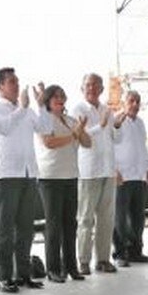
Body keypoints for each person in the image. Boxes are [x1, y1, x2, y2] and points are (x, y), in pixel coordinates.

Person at [0, 68, 48, 293]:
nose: (16, 85)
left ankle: (23, 274)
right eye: (11, 82)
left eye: (17, 81)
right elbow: (4, 128)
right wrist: (23, 108)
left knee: (26, 229)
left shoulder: (26, 110)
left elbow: (45, 128)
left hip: (28, 173)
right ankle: (5, 277)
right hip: (6, 174)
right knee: (4, 230)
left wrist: (40, 105)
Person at [36, 85, 91, 281]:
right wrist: (73, 135)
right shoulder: (44, 119)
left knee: (70, 224)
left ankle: (71, 267)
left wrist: (80, 130)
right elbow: (49, 143)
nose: (60, 99)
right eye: (56, 96)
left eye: (62, 96)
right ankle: (53, 269)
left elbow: (87, 143)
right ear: (48, 100)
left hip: (70, 176)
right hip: (50, 178)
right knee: (54, 225)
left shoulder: (70, 120)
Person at [73, 74, 121, 274]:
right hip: (88, 171)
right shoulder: (79, 109)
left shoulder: (107, 110)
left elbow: (114, 138)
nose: (91, 88)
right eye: (88, 85)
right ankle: (83, 261)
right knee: (85, 219)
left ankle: (103, 259)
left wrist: (116, 125)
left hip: (107, 169)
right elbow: (80, 135)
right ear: (82, 88)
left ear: (101, 89)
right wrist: (99, 125)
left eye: (95, 85)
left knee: (107, 218)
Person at [113, 91, 148, 265]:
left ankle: (136, 251)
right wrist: (115, 170)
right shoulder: (117, 121)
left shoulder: (141, 123)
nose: (135, 104)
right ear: (123, 102)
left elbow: (142, 147)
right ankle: (120, 253)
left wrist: (147, 170)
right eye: (131, 101)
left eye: (137, 101)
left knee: (138, 217)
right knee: (120, 218)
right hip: (122, 175)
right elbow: (110, 147)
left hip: (139, 175)